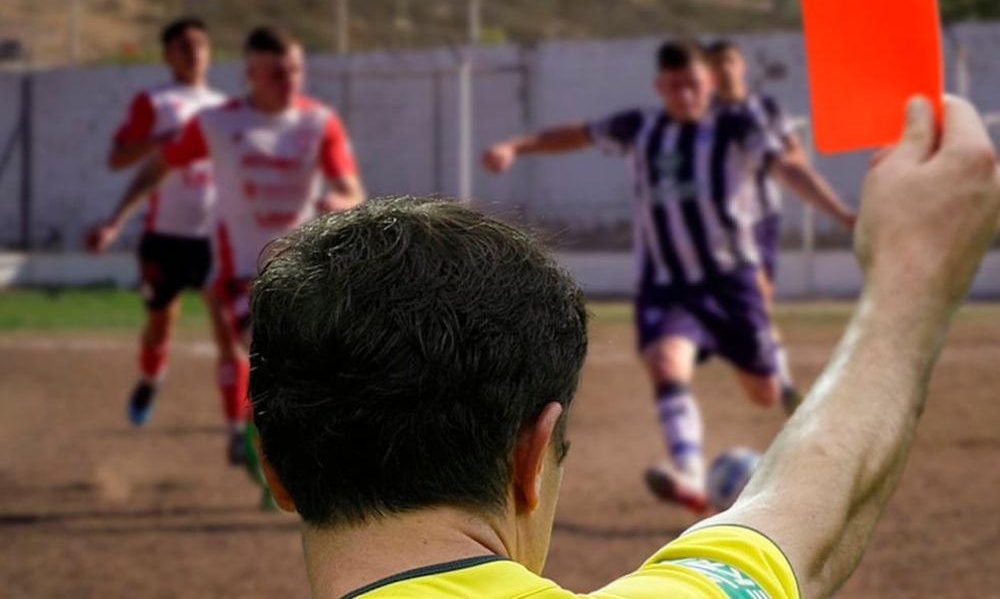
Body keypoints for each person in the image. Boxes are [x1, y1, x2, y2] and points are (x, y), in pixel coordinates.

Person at [248, 94, 999, 599]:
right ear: (530, 455)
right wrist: (911, 280)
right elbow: (816, 504)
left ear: (274, 466)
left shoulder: (723, 128)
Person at [481, 40, 856, 512]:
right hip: (667, 285)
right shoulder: (641, 128)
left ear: (709, 84)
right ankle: (691, 475)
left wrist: (841, 213)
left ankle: (784, 395)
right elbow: (576, 134)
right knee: (664, 363)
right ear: (662, 86)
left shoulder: (737, 127)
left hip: (729, 281)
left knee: (760, 391)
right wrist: (517, 145)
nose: (684, 95)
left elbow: (790, 170)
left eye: (693, 85)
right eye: (674, 86)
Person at [88, 26, 366, 466]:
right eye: (277, 73)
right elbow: (155, 167)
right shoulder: (216, 122)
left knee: (316, 360)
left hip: (304, 268)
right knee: (261, 347)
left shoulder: (319, 121)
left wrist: (343, 202)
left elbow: (353, 191)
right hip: (239, 272)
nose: (289, 81)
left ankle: (260, 438)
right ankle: (251, 433)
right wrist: (114, 221)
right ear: (251, 73)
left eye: (295, 70)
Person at [88, 16, 228, 428]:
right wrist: (158, 142)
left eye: (201, 44)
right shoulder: (155, 102)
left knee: (227, 328)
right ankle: (151, 378)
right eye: (184, 45)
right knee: (160, 323)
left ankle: (239, 427)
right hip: (165, 236)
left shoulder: (224, 108)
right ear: (168, 55)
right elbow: (117, 157)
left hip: (213, 238)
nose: (194, 52)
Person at [706, 38, 856, 414]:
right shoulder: (702, 114)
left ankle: (767, 369)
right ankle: (786, 387)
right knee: (755, 299)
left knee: (761, 304)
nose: (723, 69)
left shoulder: (767, 107)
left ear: (741, 65)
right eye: (715, 63)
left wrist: (793, 167)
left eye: (728, 60)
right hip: (722, 223)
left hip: (764, 221)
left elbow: (793, 155)